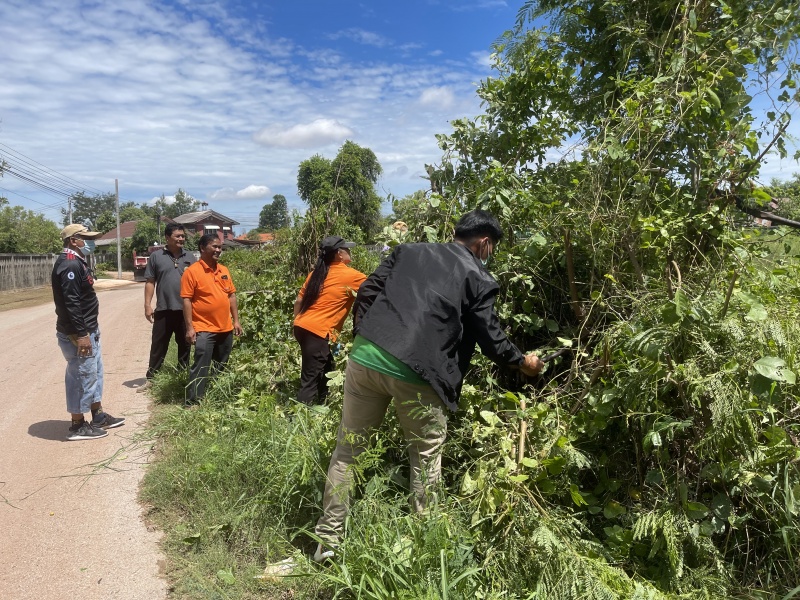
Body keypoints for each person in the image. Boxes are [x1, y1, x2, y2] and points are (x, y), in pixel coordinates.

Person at [313, 209, 543, 560]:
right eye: (492, 247)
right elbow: (491, 338)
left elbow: (367, 293)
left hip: (365, 357)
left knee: (348, 451)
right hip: (418, 374)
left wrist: (367, 336)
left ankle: (327, 545)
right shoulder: (479, 277)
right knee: (424, 460)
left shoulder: (409, 251)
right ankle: (423, 549)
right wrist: (523, 362)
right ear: (484, 243)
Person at [52, 224, 126, 441]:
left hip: (88, 330)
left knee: (94, 374)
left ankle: (98, 415)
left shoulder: (76, 261)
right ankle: (77, 425)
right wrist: (82, 333)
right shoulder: (70, 264)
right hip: (78, 333)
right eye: (86, 238)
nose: (89, 242)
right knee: (80, 376)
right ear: (74, 240)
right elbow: (71, 303)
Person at [293, 236, 367, 405]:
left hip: (302, 326)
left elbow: (299, 301)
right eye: (347, 249)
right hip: (317, 332)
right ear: (339, 254)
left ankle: (322, 403)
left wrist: (295, 322)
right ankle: (301, 417)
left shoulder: (316, 273)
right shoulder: (351, 276)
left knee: (326, 367)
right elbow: (375, 288)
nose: (350, 252)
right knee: (310, 379)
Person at [181, 234, 243, 405]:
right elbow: (186, 300)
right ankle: (193, 401)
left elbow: (231, 296)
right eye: (214, 247)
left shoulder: (224, 270)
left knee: (221, 364)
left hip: (225, 327)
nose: (218, 250)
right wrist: (190, 328)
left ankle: (216, 396)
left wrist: (236, 321)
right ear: (202, 248)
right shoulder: (192, 272)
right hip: (204, 328)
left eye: (220, 247)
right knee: (201, 364)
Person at [138, 223, 197, 393]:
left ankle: (183, 376)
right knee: (158, 344)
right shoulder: (156, 257)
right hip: (163, 309)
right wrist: (147, 305)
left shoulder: (190, 257)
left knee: (185, 344)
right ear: (167, 237)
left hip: (185, 310)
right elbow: (150, 282)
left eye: (183, 236)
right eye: (177, 236)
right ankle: (152, 379)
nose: (181, 239)